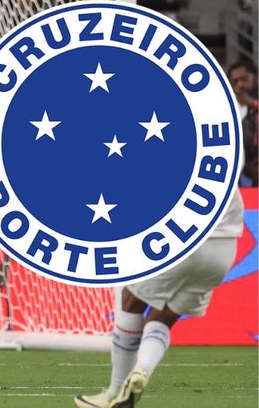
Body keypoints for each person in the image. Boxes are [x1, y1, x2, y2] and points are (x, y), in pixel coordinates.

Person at [74, 188, 245, 408]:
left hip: (184, 240)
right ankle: (142, 369)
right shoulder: (223, 165)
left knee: (130, 299)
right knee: (163, 317)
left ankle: (114, 393)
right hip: (223, 251)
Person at [228, 58, 258, 187]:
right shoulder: (231, 110)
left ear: (255, 78)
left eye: (244, 79)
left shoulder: (253, 102)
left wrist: (253, 103)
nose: (240, 85)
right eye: (235, 82)